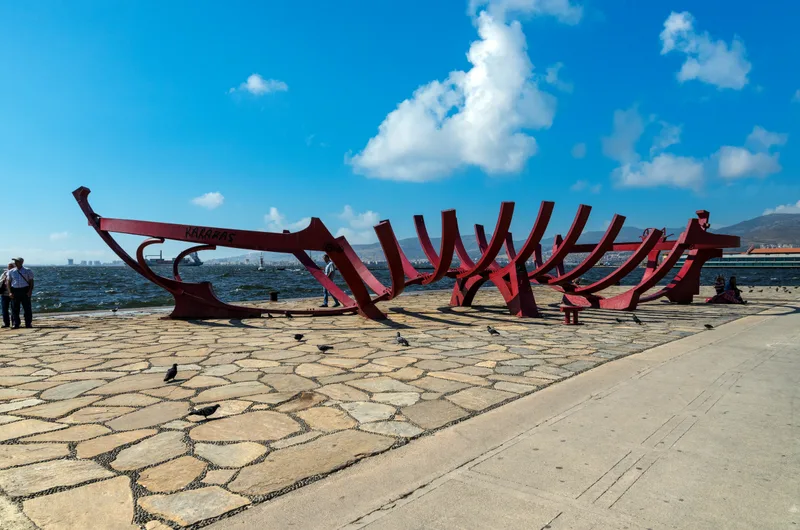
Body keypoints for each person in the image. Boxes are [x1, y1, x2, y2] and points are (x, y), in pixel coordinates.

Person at [7, 257, 34, 328]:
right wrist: (10, 292)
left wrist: (30, 291)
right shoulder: (11, 271)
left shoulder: (28, 270)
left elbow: (31, 282)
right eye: (15, 261)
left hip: (25, 290)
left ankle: (28, 323)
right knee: (14, 308)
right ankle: (15, 323)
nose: (15, 263)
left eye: (17, 261)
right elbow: (8, 282)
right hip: (15, 290)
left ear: (22, 262)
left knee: (27, 308)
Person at [0, 263, 12, 328]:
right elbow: (0, 282)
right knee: (4, 309)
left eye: (11, 266)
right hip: (4, 294)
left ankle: (15, 322)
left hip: (13, 294)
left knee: (14, 309)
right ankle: (6, 323)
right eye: (9, 267)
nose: (9, 268)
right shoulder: (4, 274)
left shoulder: (16, 273)